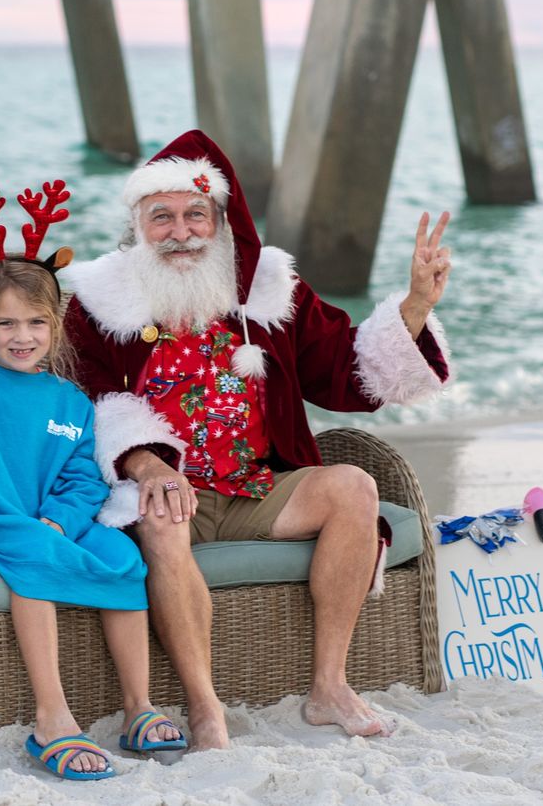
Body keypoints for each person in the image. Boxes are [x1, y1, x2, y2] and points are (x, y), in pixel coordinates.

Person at [63, 130, 453, 750]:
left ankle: (328, 686)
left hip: (258, 486)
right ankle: (206, 709)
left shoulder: (272, 291)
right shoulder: (99, 302)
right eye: (160, 217)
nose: (180, 230)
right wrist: (146, 465)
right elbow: (91, 400)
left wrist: (412, 308)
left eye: (196, 214)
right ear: (137, 225)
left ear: (221, 221)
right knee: (161, 519)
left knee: (354, 485)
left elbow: (343, 365)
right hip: (164, 488)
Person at [0, 240, 186, 780]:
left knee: (122, 554)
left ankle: (138, 706)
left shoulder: (69, 402)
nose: (22, 336)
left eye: (35, 322)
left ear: (55, 326)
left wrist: (60, 519)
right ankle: (52, 719)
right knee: (34, 549)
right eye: (6, 324)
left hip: (47, 523)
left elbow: (82, 481)